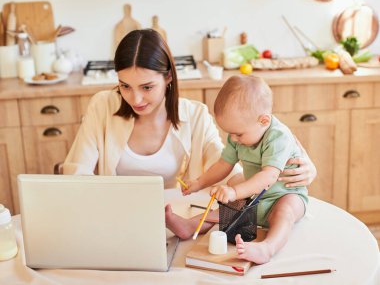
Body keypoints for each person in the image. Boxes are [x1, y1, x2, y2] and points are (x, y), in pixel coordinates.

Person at [62, 29, 316, 239]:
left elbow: (228, 165)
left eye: (147, 87)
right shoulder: (102, 105)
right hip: (115, 222)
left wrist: (298, 169)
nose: (135, 99)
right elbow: (76, 173)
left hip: (168, 225)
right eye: (125, 86)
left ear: (168, 77)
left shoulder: (195, 115)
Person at [178, 75, 308, 265]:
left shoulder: (278, 137)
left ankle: (267, 248)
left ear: (263, 121)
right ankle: (190, 225)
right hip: (254, 196)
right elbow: (223, 164)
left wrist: (235, 191)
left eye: (238, 133)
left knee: (284, 212)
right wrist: (199, 182)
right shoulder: (238, 135)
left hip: (286, 194)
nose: (234, 139)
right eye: (230, 133)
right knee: (227, 210)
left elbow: (269, 176)